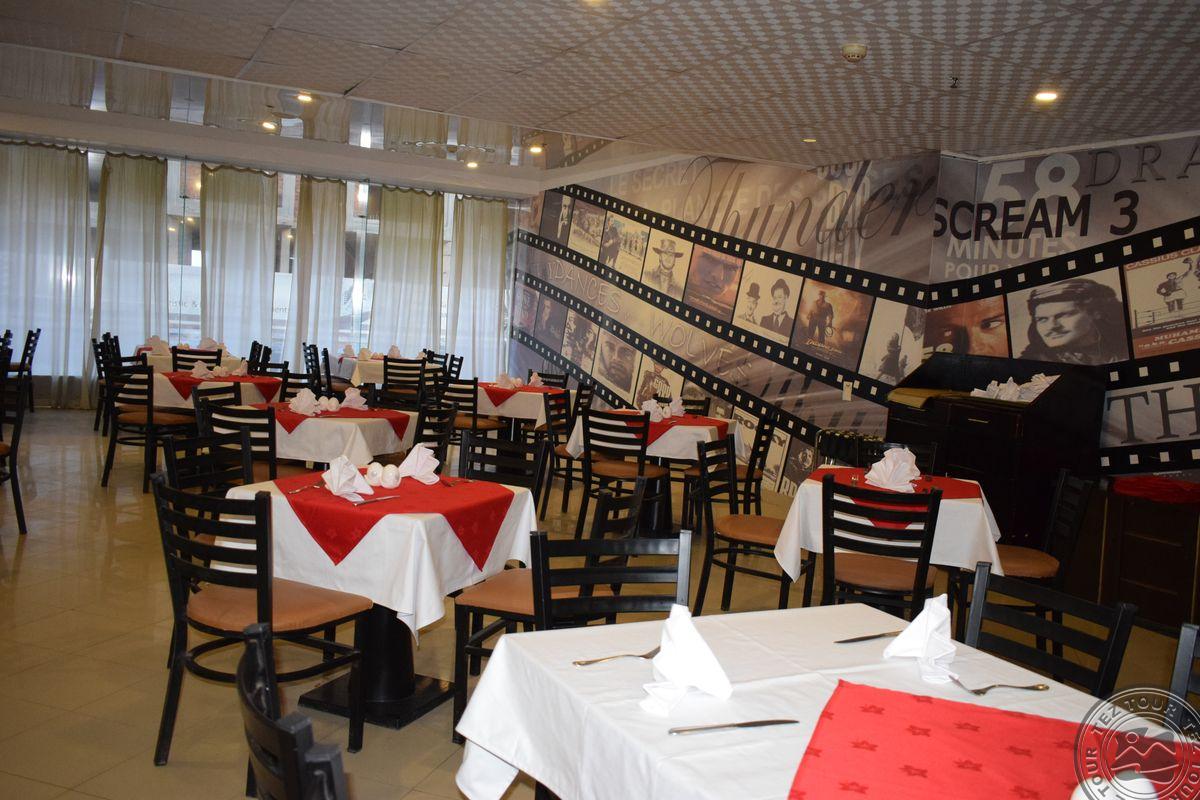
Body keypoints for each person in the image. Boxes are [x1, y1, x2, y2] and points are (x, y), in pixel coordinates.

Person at [1019, 278, 1128, 364]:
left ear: (1096, 313)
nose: (1051, 326)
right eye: (1042, 319)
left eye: (1063, 315)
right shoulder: (1030, 363)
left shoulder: (1123, 346)